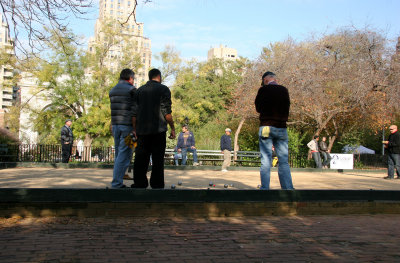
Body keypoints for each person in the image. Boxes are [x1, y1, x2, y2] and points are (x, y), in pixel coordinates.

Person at [131, 69, 176, 189]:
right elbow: (166, 111)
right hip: (158, 131)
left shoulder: (139, 91)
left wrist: (134, 129)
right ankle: (157, 184)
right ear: (159, 77)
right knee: (158, 159)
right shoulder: (164, 89)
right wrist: (172, 127)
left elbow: (134, 114)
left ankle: (140, 183)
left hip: (142, 131)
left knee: (140, 158)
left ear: (149, 77)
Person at [254, 71, 294, 190]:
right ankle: (288, 189)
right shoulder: (284, 90)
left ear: (266, 79)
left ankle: (265, 188)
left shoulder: (263, 90)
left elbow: (258, 108)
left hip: (267, 126)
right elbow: (287, 106)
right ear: (274, 79)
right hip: (281, 127)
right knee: (283, 161)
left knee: (266, 159)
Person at [109, 68, 136, 188]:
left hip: (115, 125)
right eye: (133, 79)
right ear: (130, 78)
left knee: (119, 154)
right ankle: (116, 183)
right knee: (126, 154)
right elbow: (135, 111)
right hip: (128, 127)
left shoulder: (113, 90)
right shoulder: (131, 90)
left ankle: (119, 179)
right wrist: (135, 129)